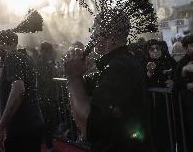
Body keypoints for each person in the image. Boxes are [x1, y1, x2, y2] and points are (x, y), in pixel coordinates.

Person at [64, 12, 152, 152]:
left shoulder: (119, 68)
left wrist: (74, 78)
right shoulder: (117, 63)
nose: (92, 36)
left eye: (95, 31)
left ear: (111, 38)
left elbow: (90, 127)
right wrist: (78, 75)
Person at [0, 29, 44, 152]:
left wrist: (0, 127)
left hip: (22, 127)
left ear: (1, 44)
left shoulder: (12, 58)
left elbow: (18, 90)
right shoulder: (21, 56)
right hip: (31, 124)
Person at [145, 39, 176, 152]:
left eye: (158, 48)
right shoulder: (144, 63)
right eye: (152, 49)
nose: (155, 51)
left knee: (170, 129)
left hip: (170, 103)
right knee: (157, 130)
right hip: (153, 106)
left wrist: (174, 82)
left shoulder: (169, 61)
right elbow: (141, 83)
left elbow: (177, 75)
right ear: (147, 51)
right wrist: (149, 73)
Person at [174, 34, 193, 152]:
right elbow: (176, 81)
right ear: (185, 48)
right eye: (192, 45)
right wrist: (184, 73)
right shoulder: (182, 63)